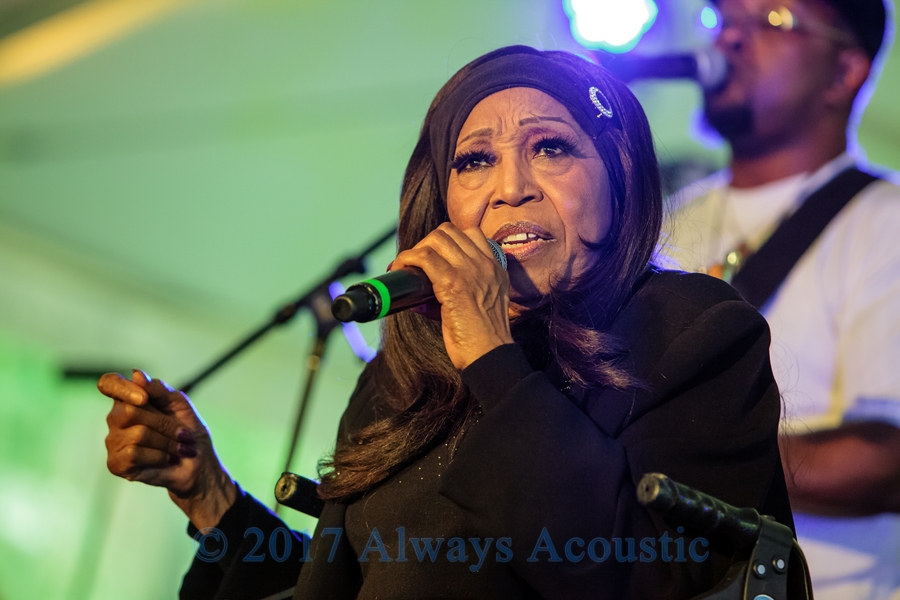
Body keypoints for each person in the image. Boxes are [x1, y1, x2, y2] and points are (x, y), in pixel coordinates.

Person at [99, 45, 793, 599]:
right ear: (443, 204)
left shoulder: (694, 332)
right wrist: (212, 498)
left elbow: (639, 577)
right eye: (475, 161)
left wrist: (492, 356)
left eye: (550, 148)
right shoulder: (399, 380)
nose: (510, 187)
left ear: (619, 172)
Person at [664, 0, 900, 598]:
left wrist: (684, 453)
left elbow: (888, 459)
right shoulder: (663, 224)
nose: (731, 39)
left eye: (772, 20)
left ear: (844, 72)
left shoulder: (887, 224)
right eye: (723, 19)